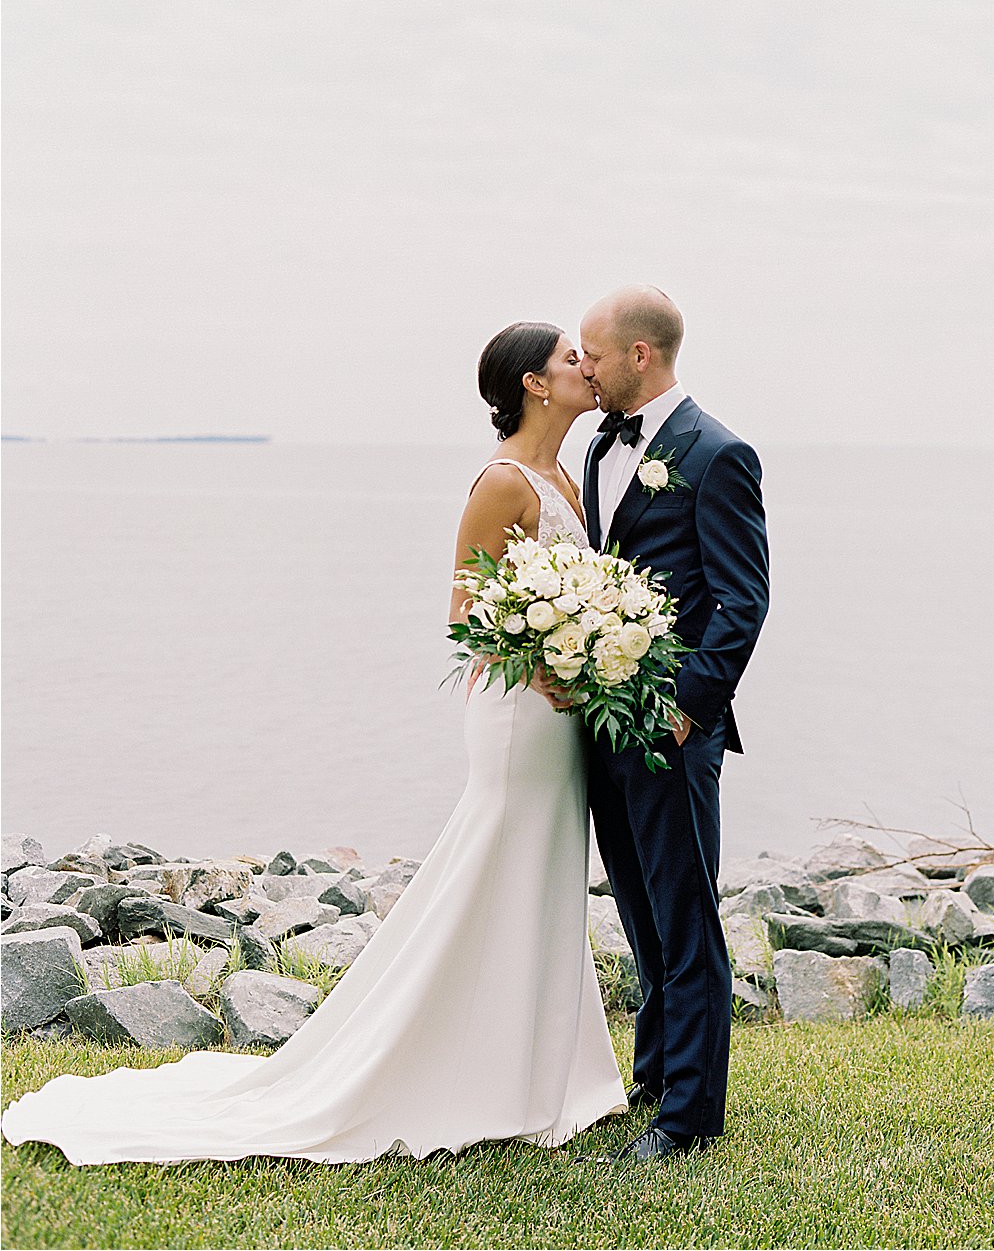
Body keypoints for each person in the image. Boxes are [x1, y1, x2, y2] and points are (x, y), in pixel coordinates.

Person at [0, 322, 628, 1165]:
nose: (585, 367)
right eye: (568, 360)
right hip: (519, 712)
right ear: (533, 384)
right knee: (499, 862)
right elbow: (463, 613)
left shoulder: (568, 474)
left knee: (543, 870)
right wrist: (546, 659)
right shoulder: (501, 481)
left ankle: (545, 1071)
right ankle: (456, 1065)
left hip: (561, 711)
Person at [564, 285, 770, 1164]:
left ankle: (686, 1116)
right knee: (642, 912)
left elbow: (741, 599)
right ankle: (653, 1071)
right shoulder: (601, 449)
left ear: (639, 355)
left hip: (674, 729)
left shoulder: (716, 452)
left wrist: (689, 706)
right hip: (608, 721)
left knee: (685, 921)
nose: (585, 368)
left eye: (594, 355)